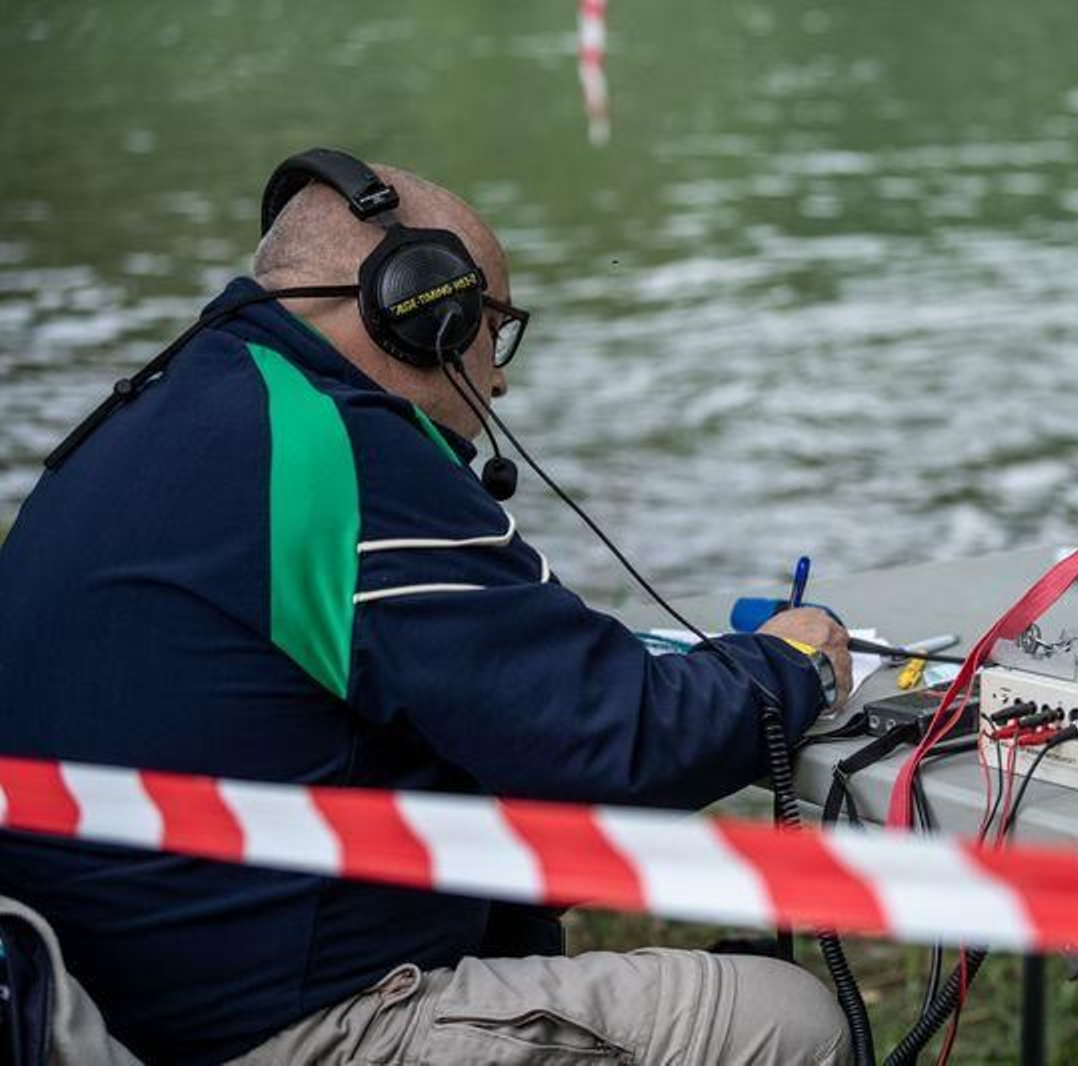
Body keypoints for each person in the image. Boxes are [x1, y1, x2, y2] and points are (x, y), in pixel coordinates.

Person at [0, 150, 853, 1065]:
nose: (497, 383)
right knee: (786, 1022)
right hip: (268, 1030)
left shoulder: (149, 411)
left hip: (107, 996)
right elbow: (615, 742)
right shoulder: (336, 452)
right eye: (492, 330)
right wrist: (792, 659)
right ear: (424, 313)